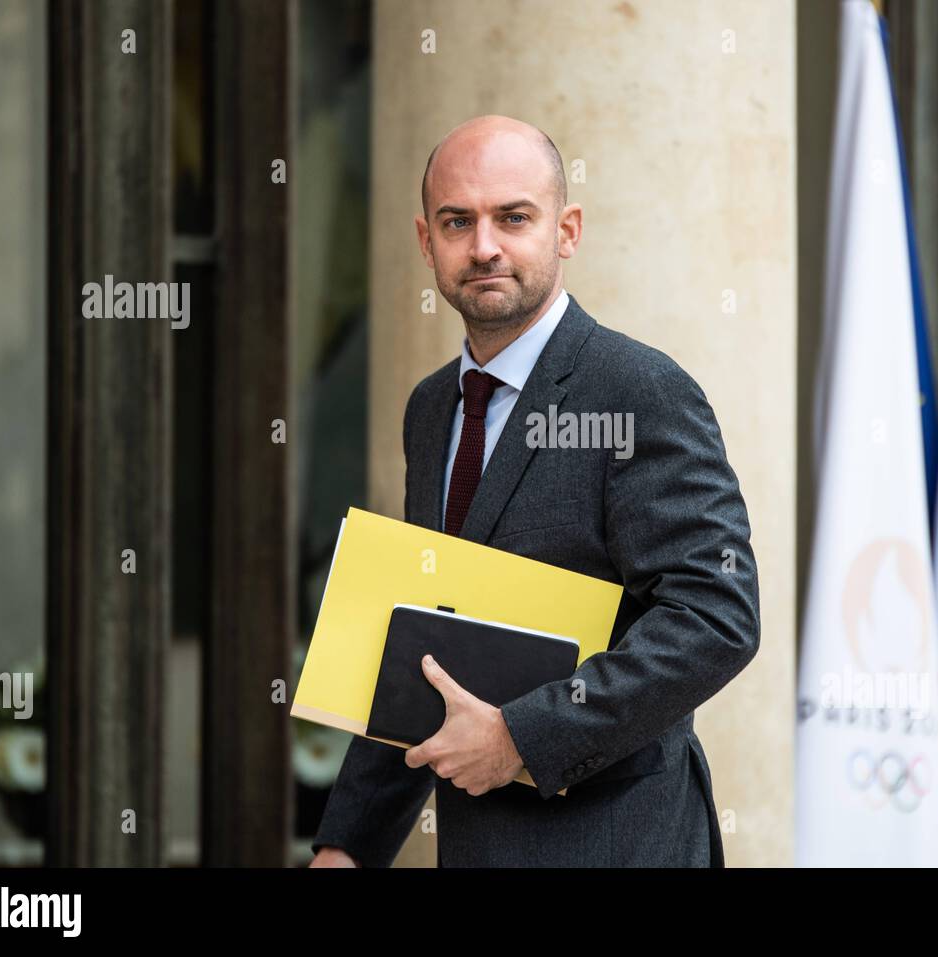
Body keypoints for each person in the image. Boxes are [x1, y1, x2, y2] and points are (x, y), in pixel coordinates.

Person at [310, 115, 760, 867]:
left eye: (513, 217)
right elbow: (427, 634)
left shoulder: (640, 388)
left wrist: (522, 735)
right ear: (427, 242)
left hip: (621, 844)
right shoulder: (432, 410)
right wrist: (347, 845)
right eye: (458, 221)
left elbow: (716, 615)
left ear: (566, 230)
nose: (484, 246)